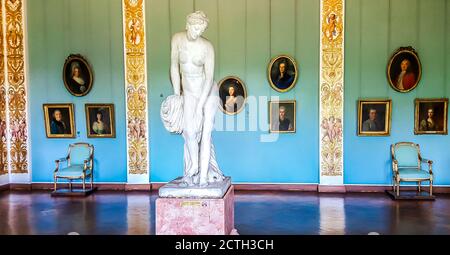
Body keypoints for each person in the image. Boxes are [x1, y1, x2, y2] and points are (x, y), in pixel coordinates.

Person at [167, 11, 224, 186]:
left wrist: (200, 106)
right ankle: (194, 167)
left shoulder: (207, 47)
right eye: (194, 27)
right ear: (187, 24)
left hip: (208, 92)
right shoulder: (177, 39)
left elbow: (209, 77)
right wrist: (177, 95)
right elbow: (174, 68)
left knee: (205, 133)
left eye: (200, 29)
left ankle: (203, 177)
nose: (196, 32)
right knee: (189, 131)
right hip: (189, 92)